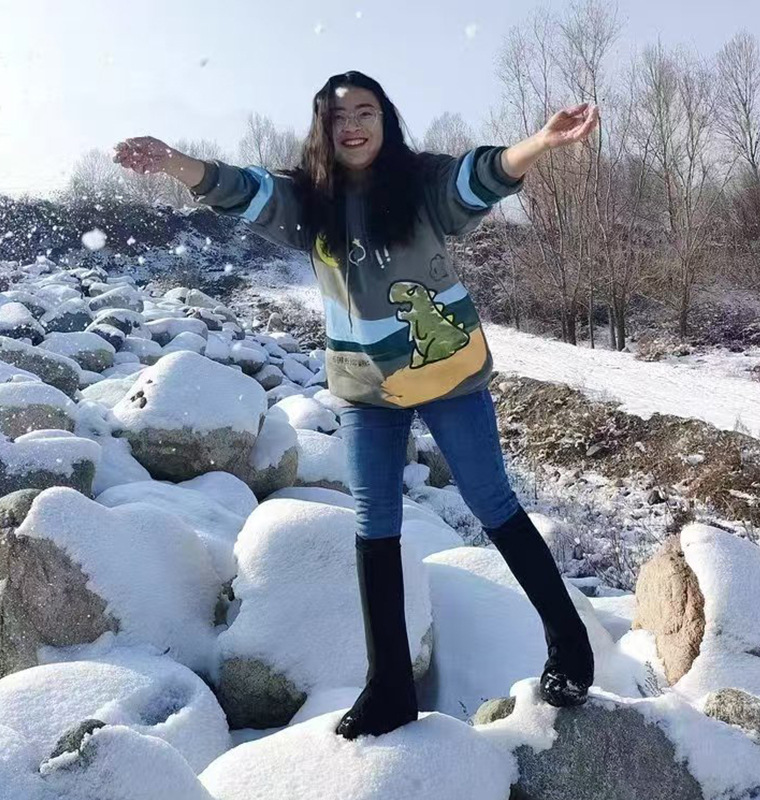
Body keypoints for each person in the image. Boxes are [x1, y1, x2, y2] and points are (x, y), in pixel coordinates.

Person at [115, 70, 600, 741]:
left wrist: (540, 143)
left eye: (365, 111)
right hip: (365, 385)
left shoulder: (421, 183)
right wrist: (174, 162)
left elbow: (478, 177)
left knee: (493, 503)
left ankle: (570, 643)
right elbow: (241, 188)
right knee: (375, 524)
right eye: (338, 116)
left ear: (384, 119)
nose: (352, 125)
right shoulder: (309, 200)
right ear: (324, 129)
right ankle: (390, 685)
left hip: (447, 374)